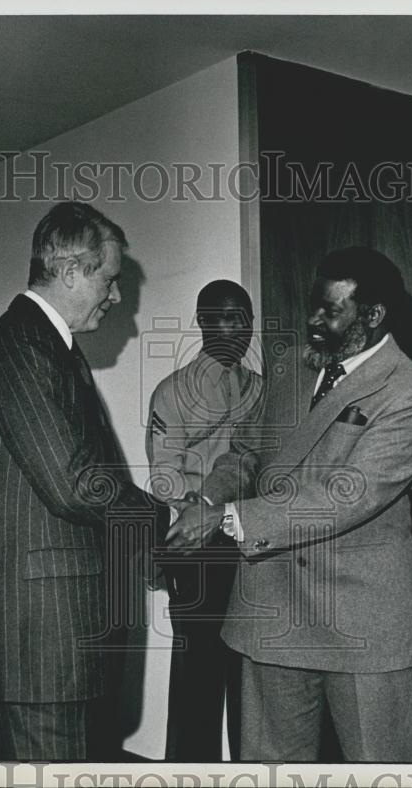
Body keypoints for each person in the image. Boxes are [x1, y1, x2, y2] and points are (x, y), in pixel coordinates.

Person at [167, 246, 412, 762]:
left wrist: (228, 518)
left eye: (330, 310)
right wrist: (207, 495)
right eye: (312, 305)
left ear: (373, 315)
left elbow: (348, 494)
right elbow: (248, 451)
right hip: (271, 608)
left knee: (375, 771)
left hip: (360, 620)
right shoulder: (292, 364)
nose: (313, 320)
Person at [0, 201, 175, 761]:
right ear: (71, 272)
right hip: (41, 633)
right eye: (110, 279)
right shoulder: (22, 343)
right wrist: (160, 515)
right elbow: (72, 482)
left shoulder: (45, 345)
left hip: (49, 626)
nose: (116, 296)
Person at [146, 280, 263, 761]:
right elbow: (162, 474)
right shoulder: (173, 392)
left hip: (246, 543)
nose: (238, 327)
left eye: (245, 317)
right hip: (197, 547)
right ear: (201, 320)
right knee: (196, 679)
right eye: (225, 316)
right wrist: (198, 505)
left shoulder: (260, 390)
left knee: (248, 681)